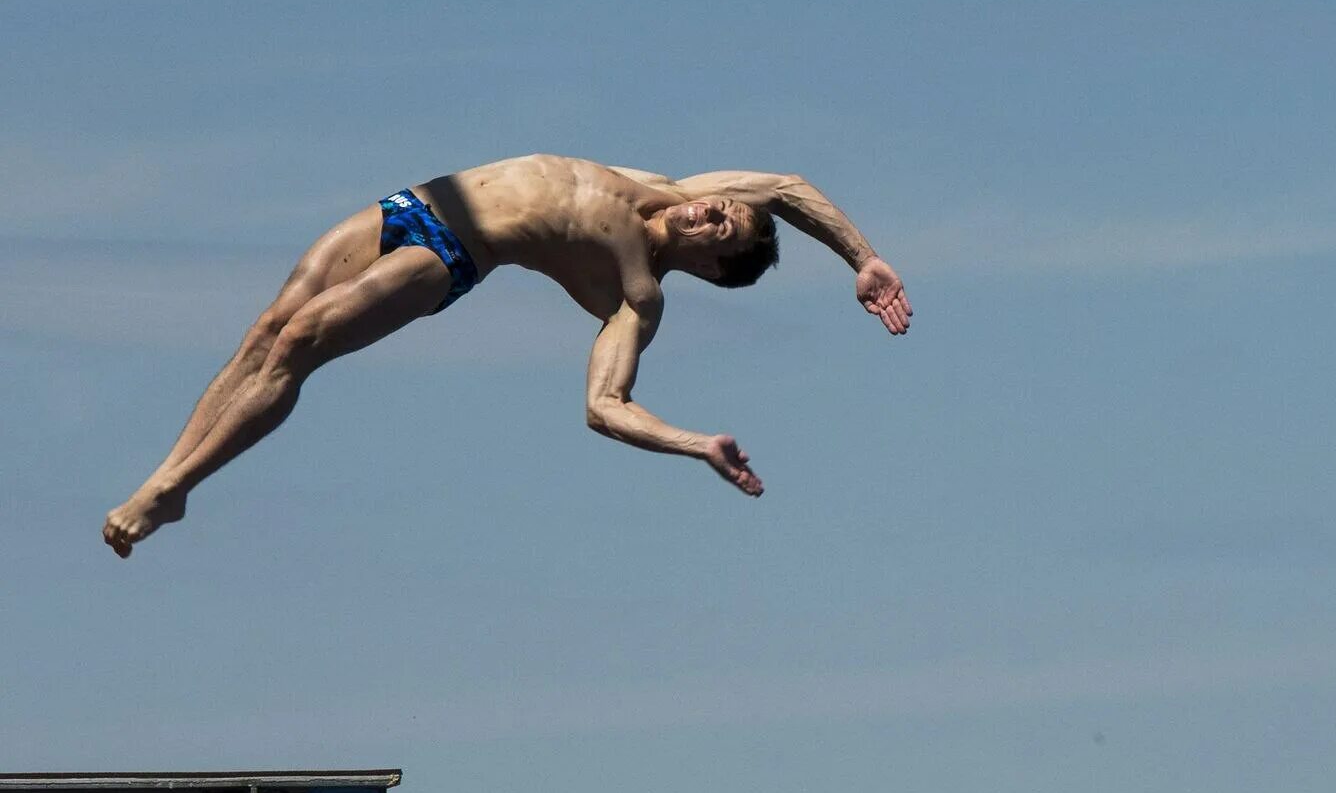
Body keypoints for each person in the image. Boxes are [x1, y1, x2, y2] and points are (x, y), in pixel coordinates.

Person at [102, 154, 912, 557]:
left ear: (712, 266)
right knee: (267, 330)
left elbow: (604, 407)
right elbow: (794, 189)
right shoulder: (668, 183)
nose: (710, 211)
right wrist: (862, 257)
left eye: (722, 228)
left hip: (451, 255)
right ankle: (164, 481)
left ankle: (176, 486)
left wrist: (696, 443)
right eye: (723, 207)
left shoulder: (636, 296)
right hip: (415, 203)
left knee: (302, 345)